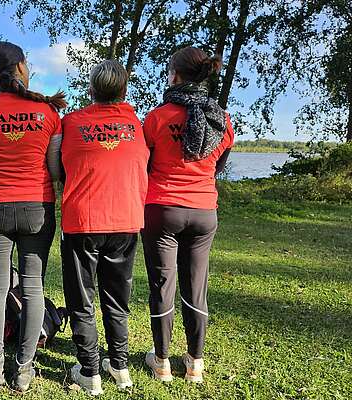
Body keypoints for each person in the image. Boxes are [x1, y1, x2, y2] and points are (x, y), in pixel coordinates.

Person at [0, 41, 66, 392]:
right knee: (33, 286)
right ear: (22, 67)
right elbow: (55, 169)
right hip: (36, 208)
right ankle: (23, 369)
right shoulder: (48, 112)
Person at [141, 46, 234, 383]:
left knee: (162, 285)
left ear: (175, 75)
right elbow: (218, 165)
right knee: (196, 287)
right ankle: (195, 363)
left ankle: (162, 362)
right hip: (203, 210)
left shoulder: (155, 117)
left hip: (162, 208)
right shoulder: (221, 119)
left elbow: (146, 164)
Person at [60, 60, 149, 395]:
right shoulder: (137, 125)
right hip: (125, 220)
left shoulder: (70, 122)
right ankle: (120, 367)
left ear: (90, 90)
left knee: (82, 299)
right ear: (123, 90)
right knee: (117, 297)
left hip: (83, 220)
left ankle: (89, 371)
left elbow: (58, 167)